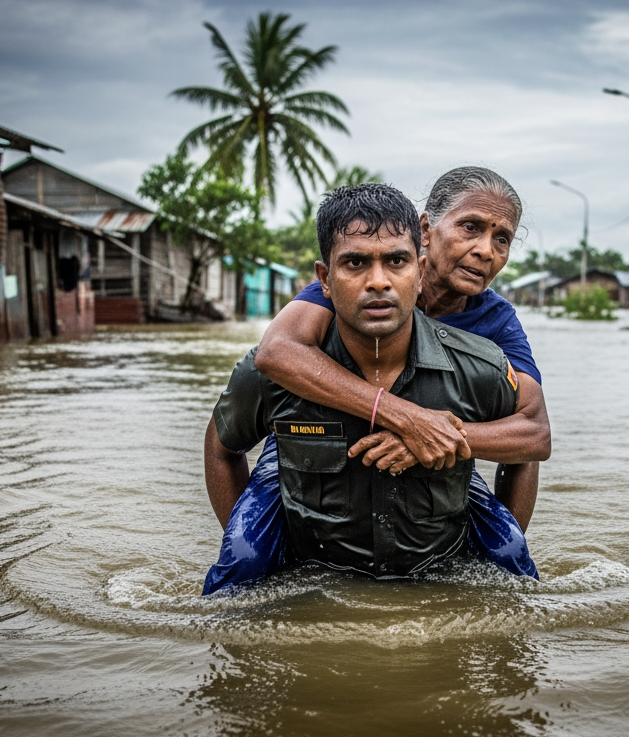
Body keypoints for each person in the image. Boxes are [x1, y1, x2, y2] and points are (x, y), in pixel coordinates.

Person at [204, 184, 527, 586]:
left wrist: (447, 436)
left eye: (396, 262)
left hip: (444, 456)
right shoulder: (304, 329)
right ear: (326, 278)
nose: (378, 281)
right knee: (243, 564)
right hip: (304, 452)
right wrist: (408, 419)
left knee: (511, 561)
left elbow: (532, 436)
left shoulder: (490, 344)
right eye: (355, 264)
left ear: (419, 270)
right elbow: (270, 363)